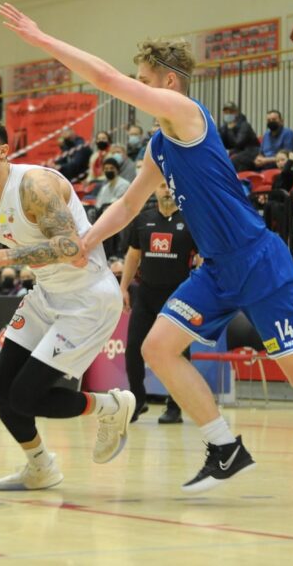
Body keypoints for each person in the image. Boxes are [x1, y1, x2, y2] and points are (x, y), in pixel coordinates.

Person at [0, 3, 293, 501]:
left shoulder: (187, 115)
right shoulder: (159, 144)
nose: (137, 87)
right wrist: (85, 242)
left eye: (144, 80)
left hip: (257, 259)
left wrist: (43, 40)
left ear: (168, 82)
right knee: (157, 348)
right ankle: (224, 446)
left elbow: (106, 79)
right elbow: (127, 205)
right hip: (217, 269)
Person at [0, 116, 133, 491]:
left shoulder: (34, 186)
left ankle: (112, 406)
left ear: (3, 152)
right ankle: (41, 467)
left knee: (25, 396)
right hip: (45, 295)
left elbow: (71, 248)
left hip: (87, 297)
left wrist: (4, 257)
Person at [122, 181, 197, 424]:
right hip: (146, 294)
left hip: (178, 297)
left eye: (170, 186)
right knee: (133, 348)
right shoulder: (143, 219)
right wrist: (123, 288)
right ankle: (137, 400)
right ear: (155, 189)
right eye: (162, 186)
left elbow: (203, 258)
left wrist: (198, 288)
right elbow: (133, 255)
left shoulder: (191, 220)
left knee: (177, 352)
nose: (166, 190)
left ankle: (175, 407)